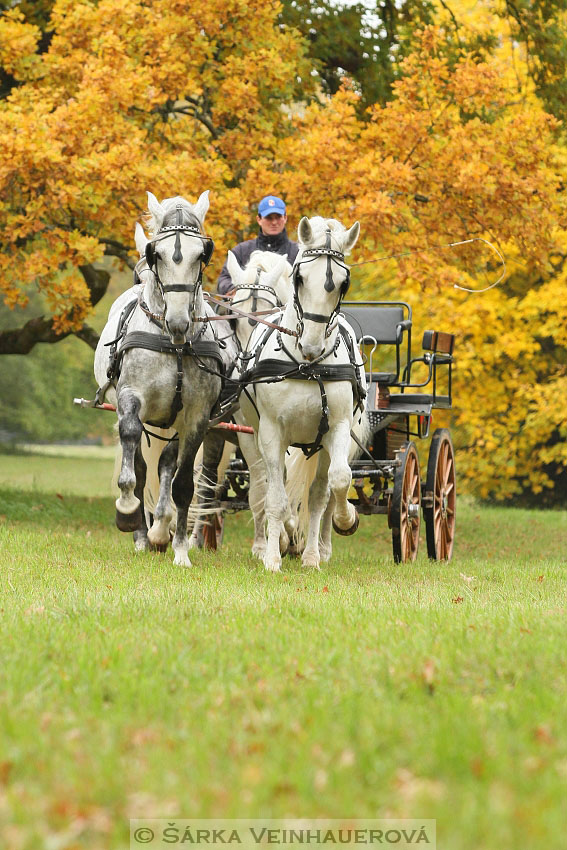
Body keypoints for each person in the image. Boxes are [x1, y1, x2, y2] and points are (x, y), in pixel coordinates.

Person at [216, 195, 299, 295]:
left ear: (285, 218)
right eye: (269, 218)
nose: (274, 222)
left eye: (278, 217)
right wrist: (236, 291)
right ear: (259, 219)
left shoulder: (298, 252)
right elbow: (224, 279)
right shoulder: (241, 251)